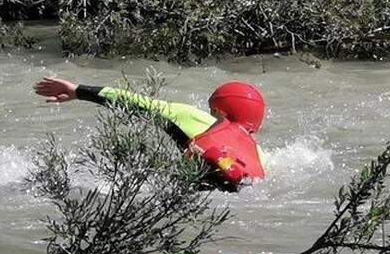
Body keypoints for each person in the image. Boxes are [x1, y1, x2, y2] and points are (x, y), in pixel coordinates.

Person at [33, 76, 266, 190]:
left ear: (217, 109)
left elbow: (137, 103)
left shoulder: (200, 119)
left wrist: (79, 91)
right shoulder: (260, 156)